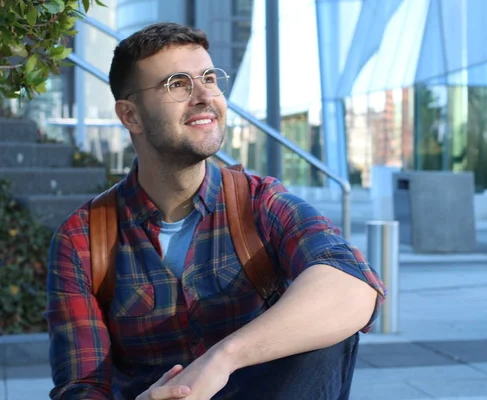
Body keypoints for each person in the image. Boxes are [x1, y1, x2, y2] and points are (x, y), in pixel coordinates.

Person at [46, 22, 386, 400]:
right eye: (177, 83)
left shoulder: (260, 203)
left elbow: (353, 285)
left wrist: (221, 358)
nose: (205, 96)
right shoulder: (83, 238)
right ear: (130, 116)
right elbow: (80, 386)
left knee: (323, 328)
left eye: (209, 78)